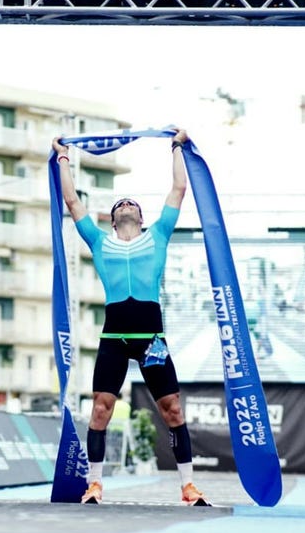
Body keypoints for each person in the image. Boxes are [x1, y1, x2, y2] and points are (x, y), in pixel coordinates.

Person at [52, 130, 209, 506]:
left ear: (139, 216)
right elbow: (71, 200)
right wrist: (62, 158)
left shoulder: (158, 234)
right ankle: (94, 485)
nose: (124, 205)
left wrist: (177, 147)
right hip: (115, 337)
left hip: (151, 338)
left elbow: (177, 189)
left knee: (171, 410)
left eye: (131, 203)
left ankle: (188, 487)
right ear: (113, 216)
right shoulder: (98, 240)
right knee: (100, 411)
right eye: (119, 203)